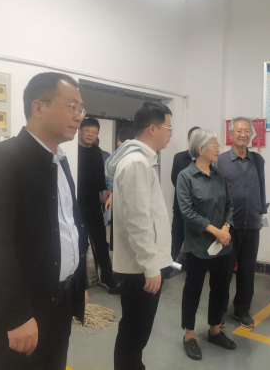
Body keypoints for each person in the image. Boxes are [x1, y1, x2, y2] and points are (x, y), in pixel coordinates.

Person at [0, 72, 89, 370]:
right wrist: (16, 315)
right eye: (72, 106)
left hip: (60, 301)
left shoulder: (60, 160)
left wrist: (79, 285)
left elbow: (70, 226)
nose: (79, 116)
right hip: (24, 310)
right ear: (38, 107)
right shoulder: (0, 159)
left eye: (81, 109)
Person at [105, 102, 173, 370]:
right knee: (134, 332)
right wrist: (150, 266)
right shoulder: (136, 163)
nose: (170, 134)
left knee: (137, 331)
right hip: (140, 268)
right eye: (168, 128)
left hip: (143, 264)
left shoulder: (142, 160)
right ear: (153, 128)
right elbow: (138, 221)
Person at [177, 129, 236, 361]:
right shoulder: (186, 177)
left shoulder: (218, 175)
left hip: (222, 244)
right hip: (198, 245)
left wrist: (226, 228)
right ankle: (189, 335)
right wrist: (215, 231)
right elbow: (187, 212)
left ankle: (215, 331)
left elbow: (229, 204)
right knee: (193, 290)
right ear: (201, 149)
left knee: (220, 288)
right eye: (215, 145)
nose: (219, 149)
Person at [217, 116, 267, 328]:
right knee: (223, 272)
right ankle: (218, 312)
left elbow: (262, 187)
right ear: (230, 134)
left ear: (252, 134)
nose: (243, 134)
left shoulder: (257, 160)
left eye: (247, 131)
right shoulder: (220, 161)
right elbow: (215, 192)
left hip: (252, 223)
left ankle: (242, 310)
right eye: (239, 131)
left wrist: (261, 213)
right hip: (227, 226)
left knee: (247, 271)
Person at [78, 117, 121, 295]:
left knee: (100, 242)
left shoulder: (96, 151)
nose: (90, 134)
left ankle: (107, 279)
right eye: (87, 130)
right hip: (76, 204)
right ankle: (79, 284)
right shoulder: (73, 150)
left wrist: (104, 192)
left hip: (93, 203)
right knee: (80, 244)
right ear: (80, 131)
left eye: (94, 132)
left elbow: (99, 174)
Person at [170, 126, 201, 263]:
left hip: (200, 209)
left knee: (197, 240)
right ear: (188, 140)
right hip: (180, 208)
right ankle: (167, 267)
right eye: (193, 138)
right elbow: (174, 179)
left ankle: (193, 266)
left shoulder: (206, 158)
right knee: (176, 238)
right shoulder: (179, 157)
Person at [105, 127, 137, 251]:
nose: (119, 149)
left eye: (120, 145)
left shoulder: (134, 161)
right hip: (120, 202)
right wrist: (112, 195)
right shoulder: (120, 160)